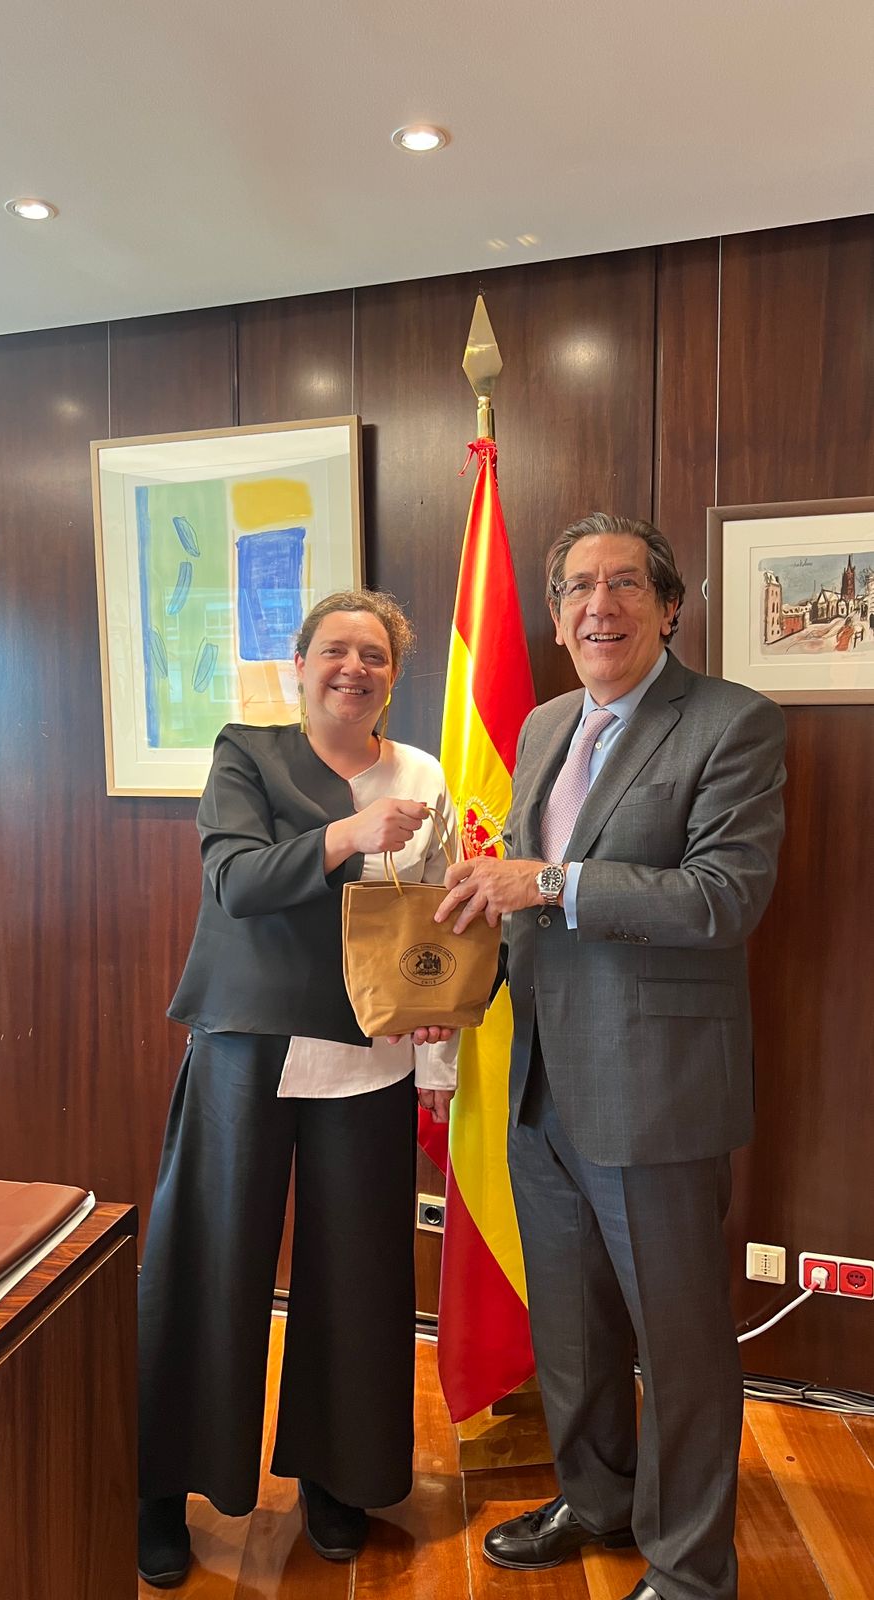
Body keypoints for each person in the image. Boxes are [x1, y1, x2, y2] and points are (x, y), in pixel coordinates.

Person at [435, 514, 786, 1600]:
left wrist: (552, 882)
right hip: (540, 1082)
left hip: (657, 1095)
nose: (601, 606)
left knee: (679, 1346)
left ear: (669, 606)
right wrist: (451, 996)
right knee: (574, 1328)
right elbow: (511, 900)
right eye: (578, 588)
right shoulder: (545, 724)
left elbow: (723, 898)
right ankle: (596, 1502)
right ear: (554, 618)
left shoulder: (732, 722)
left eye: (626, 583)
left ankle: (689, 1569)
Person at [137, 589, 457, 1588]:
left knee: (359, 1275)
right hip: (249, 1044)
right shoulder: (248, 753)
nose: (353, 668)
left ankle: (338, 1476)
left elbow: (437, 915)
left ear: (393, 675)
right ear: (301, 663)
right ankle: (165, 1485)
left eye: (374, 655)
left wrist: (439, 1038)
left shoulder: (424, 773)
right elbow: (236, 880)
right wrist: (353, 833)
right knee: (211, 1263)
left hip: (372, 1056)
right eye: (335, 650)